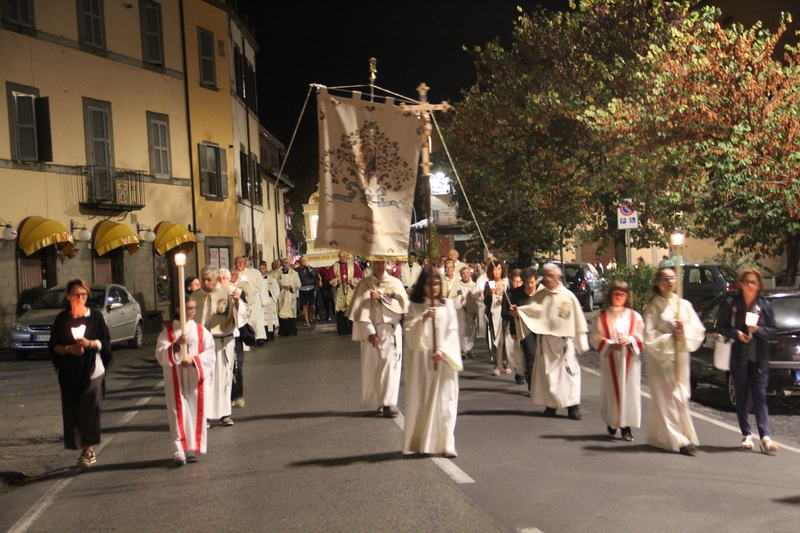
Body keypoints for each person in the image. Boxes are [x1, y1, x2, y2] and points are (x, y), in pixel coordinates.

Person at [48, 279, 112, 468]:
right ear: (68, 295)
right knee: (74, 410)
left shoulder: (95, 317)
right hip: (70, 373)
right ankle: (82, 446)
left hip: (93, 372)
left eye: (84, 294)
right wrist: (70, 349)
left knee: (89, 410)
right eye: (76, 294)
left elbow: (105, 342)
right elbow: (54, 346)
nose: (80, 298)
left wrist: (89, 343)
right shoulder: (62, 319)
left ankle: (88, 450)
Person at [643, 267, 705, 456]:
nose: (670, 281)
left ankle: (667, 435)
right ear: (658, 283)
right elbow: (648, 335)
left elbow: (698, 330)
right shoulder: (653, 307)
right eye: (666, 278)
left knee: (680, 396)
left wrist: (684, 332)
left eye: (673, 277)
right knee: (667, 398)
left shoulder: (684, 305)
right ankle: (678, 440)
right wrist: (671, 337)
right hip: (661, 360)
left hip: (680, 357)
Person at [717, 268, 778, 454]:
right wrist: (736, 333)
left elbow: (773, 329)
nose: (751, 285)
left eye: (754, 282)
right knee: (741, 395)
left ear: (759, 285)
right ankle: (746, 434)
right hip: (740, 354)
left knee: (760, 394)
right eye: (747, 282)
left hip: (759, 356)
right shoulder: (732, 303)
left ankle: (765, 437)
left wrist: (758, 330)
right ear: (741, 284)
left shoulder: (764, 305)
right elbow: (721, 326)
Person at [403, 267, 462, 457]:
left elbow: (453, 330)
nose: (434, 287)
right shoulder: (415, 306)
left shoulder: (448, 306)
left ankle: (448, 442)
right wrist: (424, 317)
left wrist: (442, 350)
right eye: (429, 283)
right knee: (425, 402)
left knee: (446, 401)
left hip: (444, 359)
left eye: (437, 283)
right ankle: (424, 442)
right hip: (423, 362)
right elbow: (409, 330)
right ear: (423, 285)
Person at [518, 263, 588, 420]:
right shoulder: (541, 295)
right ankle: (550, 405)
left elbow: (577, 322)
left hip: (564, 343)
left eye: (551, 275)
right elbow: (531, 311)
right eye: (546, 275)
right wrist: (519, 313)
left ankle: (573, 407)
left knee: (569, 377)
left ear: (558, 277)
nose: (548, 279)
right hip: (546, 343)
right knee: (548, 377)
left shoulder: (568, 296)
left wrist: (582, 344)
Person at [155, 296, 216, 464]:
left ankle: (191, 449)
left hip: (193, 375)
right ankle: (179, 450)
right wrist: (175, 345)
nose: (192, 311)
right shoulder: (167, 332)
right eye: (188, 308)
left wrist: (194, 361)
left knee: (194, 410)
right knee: (177, 411)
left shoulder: (200, 330)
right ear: (178, 309)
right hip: (174, 376)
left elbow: (210, 352)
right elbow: (160, 353)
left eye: (193, 308)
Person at [348, 260, 409, 417]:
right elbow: (360, 311)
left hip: (390, 329)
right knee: (374, 367)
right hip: (372, 330)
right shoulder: (364, 284)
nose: (380, 267)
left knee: (391, 365)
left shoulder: (395, 283)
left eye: (383, 263)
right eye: (377, 264)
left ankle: (389, 403)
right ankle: (380, 401)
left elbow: (402, 305)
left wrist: (381, 297)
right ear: (371, 265)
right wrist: (370, 332)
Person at [590, 281, 644, 442]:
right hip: (611, 360)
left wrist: (631, 340)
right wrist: (609, 344)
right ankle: (612, 423)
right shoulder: (602, 317)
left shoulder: (635, 317)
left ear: (627, 297)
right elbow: (595, 336)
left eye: (622, 294)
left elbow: (642, 336)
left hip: (630, 361)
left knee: (629, 393)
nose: (619, 297)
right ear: (610, 295)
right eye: (616, 294)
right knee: (611, 391)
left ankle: (626, 428)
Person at [191, 266, 238, 427]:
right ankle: (205, 416)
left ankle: (224, 414)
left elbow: (239, 316)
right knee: (205, 379)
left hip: (222, 341)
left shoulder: (227, 293)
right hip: (202, 343)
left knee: (223, 378)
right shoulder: (195, 296)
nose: (205, 283)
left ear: (217, 279)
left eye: (208, 280)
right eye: (203, 279)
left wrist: (237, 303)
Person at [504, 267, 540, 391]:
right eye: (526, 283)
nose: (529, 285)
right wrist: (513, 329)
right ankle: (532, 386)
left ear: (536, 280)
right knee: (531, 356)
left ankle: (542, 384)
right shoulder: (516, 294)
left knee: (542, 356)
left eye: (532, 282)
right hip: (525, 329)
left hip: (541, 328)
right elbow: (511, 314)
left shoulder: (541, 292)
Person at [227, 270, 252, 409]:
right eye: (219, 278)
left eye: (224, 278)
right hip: (218, 338)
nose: (222, 281)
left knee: (237, 367)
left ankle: (238, 395)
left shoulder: (237, 291)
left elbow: (245, 313)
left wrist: (237, 302)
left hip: (234, 336)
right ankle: (227, 396)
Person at [484, 259, 510, 376]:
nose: (497, 271)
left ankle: (506, 362)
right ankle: (497, 364)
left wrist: (503, 300)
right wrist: (490, 293)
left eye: (499, 269)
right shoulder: (488, 284)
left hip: (505, 313)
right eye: (495, 269)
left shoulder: (506, 282)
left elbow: (510, 297)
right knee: (497, 339)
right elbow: (486, 301)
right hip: (493, 313)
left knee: (506, 338)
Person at [233, 256, 265, 345]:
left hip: (253, 299)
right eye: (238, 263)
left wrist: (247, 287)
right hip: (240, 299)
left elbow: (258, 286)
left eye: (242, 262)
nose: (240, 264)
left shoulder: (253, 272)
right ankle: (248, 337)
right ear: (235, 264)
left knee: (256, 319)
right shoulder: (234, 273)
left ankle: (259, 337)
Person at [329, 250, 362, 335]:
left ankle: (352, 329)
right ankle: (342, 330)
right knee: (340, 312)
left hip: (350, 290)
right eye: (341, 257)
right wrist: (336, 281)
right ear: (338, 257)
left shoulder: (354, 265)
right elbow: (331, 279)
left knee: (351, 311)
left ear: (347, 256)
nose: (342, 258)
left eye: (344, 256)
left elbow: (359, 277)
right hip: (340, 291)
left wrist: (352, 281)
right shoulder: (334, 266)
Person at [457, 266, 479, 358]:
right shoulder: (458, 285)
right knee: (462, 329)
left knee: (470, 329)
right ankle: (462, 349)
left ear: (470, 274)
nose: (465, 275)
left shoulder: (474, 285)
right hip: (461, 308)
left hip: (471, 308)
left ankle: (469, 349)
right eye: (463, 273)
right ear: (461, 275)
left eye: (467, 273)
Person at [276, 257, 301, 336]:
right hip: (281, 295)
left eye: (286, 263)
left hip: (290, 295)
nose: (284, 264)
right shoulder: (277, 273)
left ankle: (292, 330)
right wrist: (279, 287)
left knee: (291, 312)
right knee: (282, 312)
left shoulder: (294, 273)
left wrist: (290, 287)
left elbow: (298, 284)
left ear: (289, 264)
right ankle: (283, 331)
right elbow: (274, 284)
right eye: (283, 263)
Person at [259, 261, 280, 340]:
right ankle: (263, 335)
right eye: (260, 269)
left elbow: (276, 290)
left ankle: (270, 335)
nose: (261, 270)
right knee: (262, 319)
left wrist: (270, 293)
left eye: (263, 268)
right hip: (260, 302)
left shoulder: (271, 279)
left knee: (270, 319)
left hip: (269, 301)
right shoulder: (257, 279)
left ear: (266, 269)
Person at [296, 256, 317, 326]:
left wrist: (309, 270)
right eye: (301, 261)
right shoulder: (297, 270)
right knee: (304, 304)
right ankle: (307, 320)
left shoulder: (310, 268)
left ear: (306, 261)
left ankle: (313, 315)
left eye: (304, 261)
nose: (302, 262)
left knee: (312, 304)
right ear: (299, 262)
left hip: (310, 288)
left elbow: (314, 276)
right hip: (302, 288)